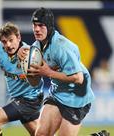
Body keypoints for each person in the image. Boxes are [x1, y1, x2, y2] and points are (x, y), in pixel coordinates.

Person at [18, 7, 95, 136]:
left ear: (49, 26)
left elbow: (78, 78)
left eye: (41, 25)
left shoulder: (62, 46)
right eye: (34, 25)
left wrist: (48, 72)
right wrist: (27, 68)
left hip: (77, 98)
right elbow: (35, 81)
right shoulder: (36, 47)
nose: (37, 29)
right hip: (58, 94)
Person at [0, 22, 44, 136]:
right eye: (4, 42)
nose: (8, 45)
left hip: (31, 99)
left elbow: (42, 71)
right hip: (18, 98)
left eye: (11, 40)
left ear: (18, 37)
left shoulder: (29, 53)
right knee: (38, 133)